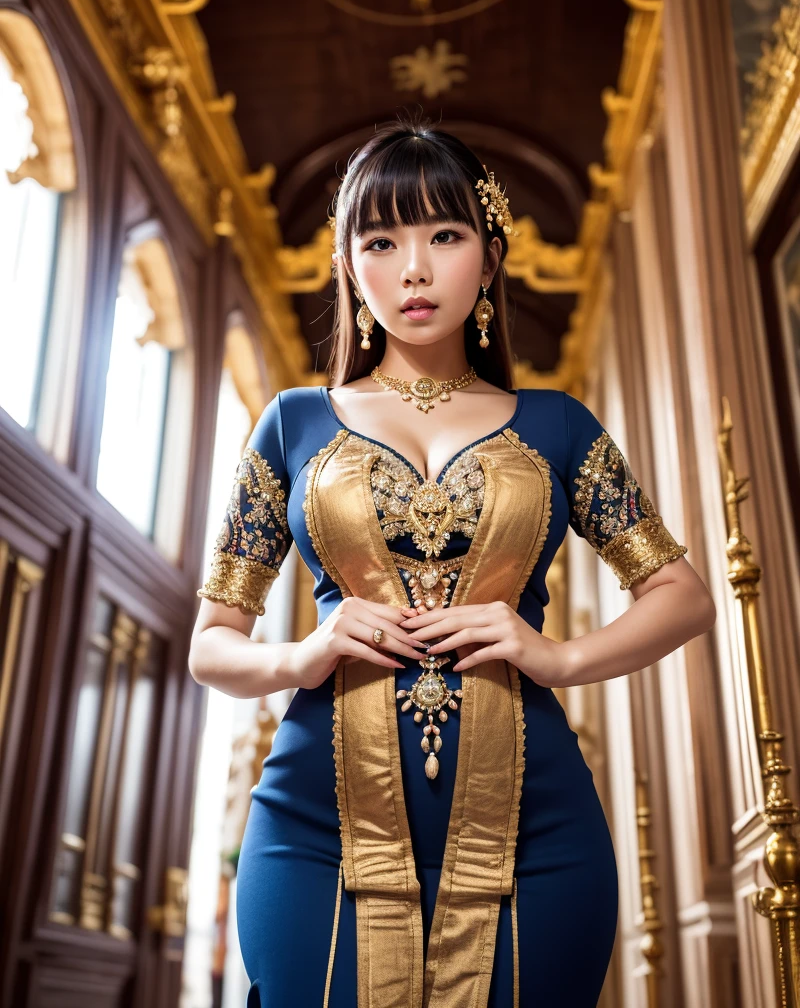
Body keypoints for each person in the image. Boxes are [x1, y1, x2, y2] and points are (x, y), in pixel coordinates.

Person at [189, 115, 716, 1008]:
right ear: (350, 265)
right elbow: (212, 644)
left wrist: (557, 656)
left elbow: (682, 595)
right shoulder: (290, 425)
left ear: (492, 254)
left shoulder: (559, 426)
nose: (415, 269)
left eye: (445, 234)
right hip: (318, 826)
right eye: (382, 240)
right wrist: (304, 655)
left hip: (536, 828)